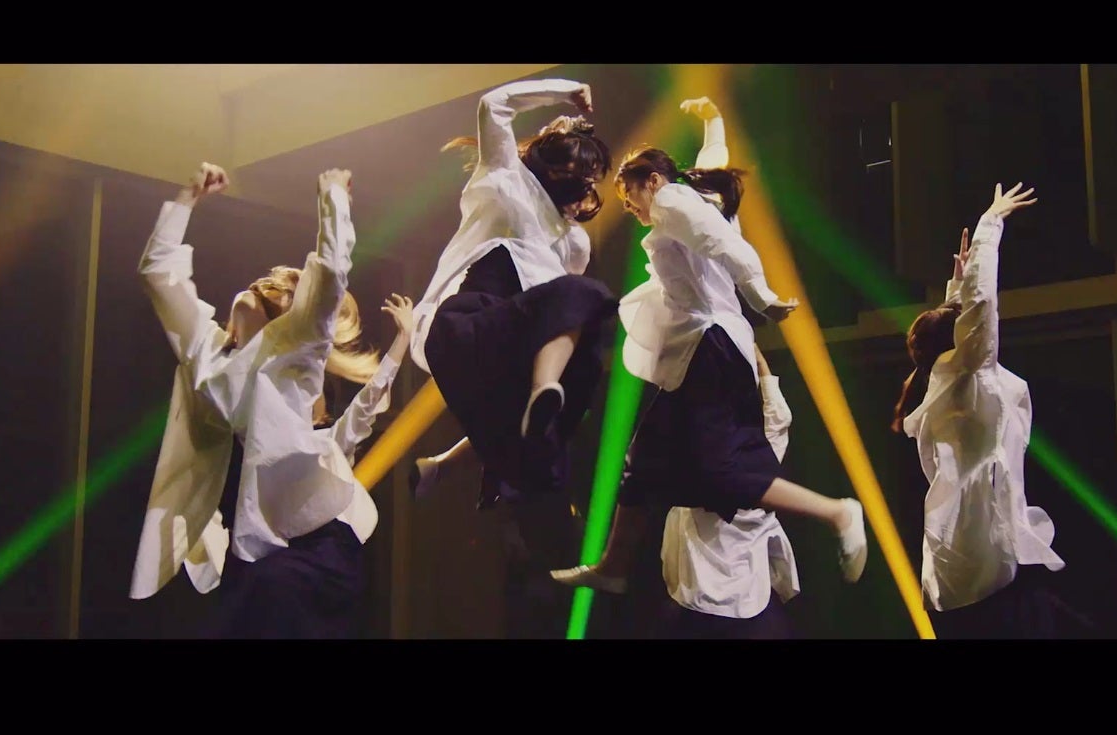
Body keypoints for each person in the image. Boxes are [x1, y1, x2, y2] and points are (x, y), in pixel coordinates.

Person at [551, 96, 867, 595]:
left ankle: (837, 512)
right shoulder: (696, 197)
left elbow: (726, 245)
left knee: (722, 468)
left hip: (711, 347)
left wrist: (761, 297)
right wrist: (712, 121)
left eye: (630, 194)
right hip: (703, 349)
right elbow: (713, 165)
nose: (629, 206)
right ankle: (613, 566)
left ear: (654, 181)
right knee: (644, 458)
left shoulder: (673, 202)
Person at [129, 162, 411, 639]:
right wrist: (187, 197)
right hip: (256, 548)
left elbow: (330, 278)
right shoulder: (205, 353)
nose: (264, 286)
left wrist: (334, 198)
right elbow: (157, 274)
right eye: (267, 283)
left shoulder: (294, 353)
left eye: (281, 290)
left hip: (316, 547)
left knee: (268, 604)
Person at [408, 77, 619, 511]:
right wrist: (565, 91)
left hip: (513, 338)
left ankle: (448, 465)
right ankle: (541, 391)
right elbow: (494, 104)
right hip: (469, 319)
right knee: (584, 294)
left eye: (588, 181)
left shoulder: (573, 242)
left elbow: (562, 319)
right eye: (576, 174)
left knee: (581, 366)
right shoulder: (506, 174)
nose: (582, 188)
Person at [893, 181, 1067, 639]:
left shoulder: (943, 382)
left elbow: (964, 322)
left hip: (962, 566)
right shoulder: (969, 376)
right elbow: (981, 310)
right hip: (991, 569)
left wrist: (959, 285)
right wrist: (991, 225)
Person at [658, 344, 801, 639]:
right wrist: (753, 353)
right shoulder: (762, 458)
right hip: (742, 602)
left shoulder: (697, 469)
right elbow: (777, 414)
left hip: (706, 606)